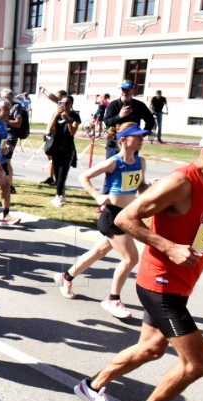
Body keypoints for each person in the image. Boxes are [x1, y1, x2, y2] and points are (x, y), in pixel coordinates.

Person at [73, 122, 203, 401]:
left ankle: (91, 386)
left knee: (152, 348)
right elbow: (126, 217)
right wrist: (168, 247)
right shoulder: (181, 182)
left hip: (181, 284)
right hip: (160, 284)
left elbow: (200, 222)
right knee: (198, 364)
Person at [54, 123, 149, 318]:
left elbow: (140, 188)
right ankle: (112, 299)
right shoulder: (113, 162)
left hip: (127, 215)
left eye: (142, 136)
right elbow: (84, 177)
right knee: (130, 258)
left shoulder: (141, 162)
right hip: (112, 217)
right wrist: (97, 195)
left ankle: (67, 276)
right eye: (137, 136)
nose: (141, 139)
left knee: (98, 251)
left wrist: (154, 190)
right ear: (123, 140)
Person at [103, 80, 154, 158]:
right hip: (114, 144)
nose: (124, 92)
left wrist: (141, 135)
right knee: (112, 168)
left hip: (132, 145)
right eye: (123, 89)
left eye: (127, 90)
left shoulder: (139, 105)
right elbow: (107, 122)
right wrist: (119, 116)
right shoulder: (113, 105)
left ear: (133, 91)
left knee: (130, 169)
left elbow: (151, 121)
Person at [47, 96, 80, 207]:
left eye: (67, 103)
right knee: (57, 174)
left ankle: (58, 196)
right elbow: (49, 129)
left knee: (62, 174)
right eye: (62, 103)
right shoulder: (56, 114)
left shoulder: (74, 116)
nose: (64, 106)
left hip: (67, 148)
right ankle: (62, 194)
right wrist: (56, 115)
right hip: (56, 147)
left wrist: (68, 121)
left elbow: (72, 132)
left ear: (71, 104)